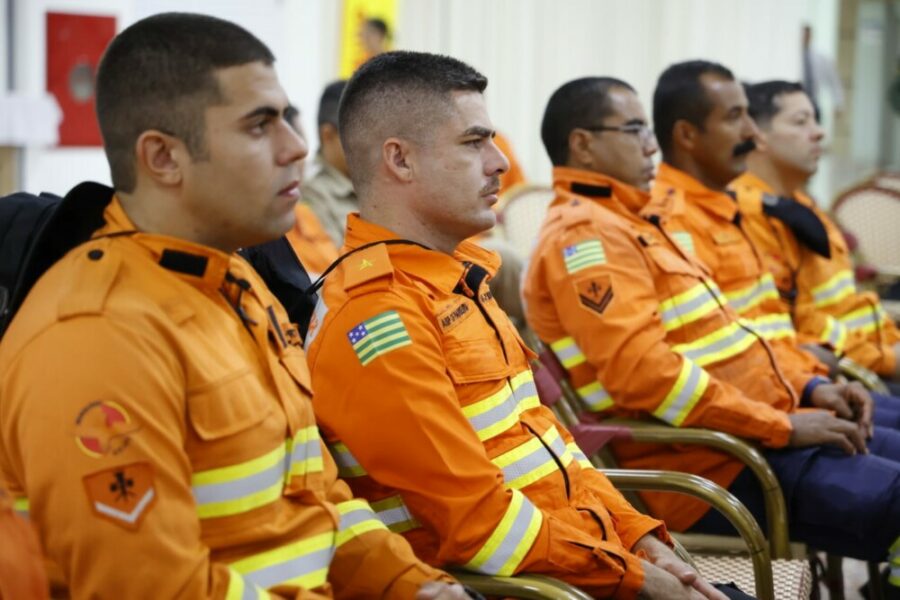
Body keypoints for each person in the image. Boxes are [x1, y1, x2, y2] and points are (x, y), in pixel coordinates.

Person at [0, 13, 465, 599]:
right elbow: (155, 588)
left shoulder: (238, 284)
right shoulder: (98, 334)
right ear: (163, 158)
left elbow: (315, 499)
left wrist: (412, 585)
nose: (296, 148)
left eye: (286, 121)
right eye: (258, 126)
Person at [306, 50, 741, 600]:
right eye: (473, 142)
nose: (500, 163)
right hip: (528, 586)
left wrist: (637, 536)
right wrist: (634, 575)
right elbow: (481, 528)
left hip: (581, 565)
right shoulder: (378, 318)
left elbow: (548, 448)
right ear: (400, 160)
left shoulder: (455, 284)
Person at [642, 61, 900, 577]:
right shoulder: (665, 224)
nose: (753, 135)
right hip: (730, 451)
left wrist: (807, 387)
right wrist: (787, 418)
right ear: (687, 135)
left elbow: (752, 341)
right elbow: (664, 376)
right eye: (738, 118)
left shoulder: (731, 212)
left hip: (779, 412)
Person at [731, 80, 900, 394]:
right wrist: (888, 359)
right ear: (758, 136)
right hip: (849, 372)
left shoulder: (799, 204)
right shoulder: (752, 214)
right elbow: (803, 324)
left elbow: (841, 305)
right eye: (801, 121)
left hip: (872, 359)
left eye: (816, 119)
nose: (819, 132)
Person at [302, 80, 357, 248]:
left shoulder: (373, 184)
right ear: (328, 135)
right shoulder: (310, 194)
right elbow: (335, 266)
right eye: (359, 135)